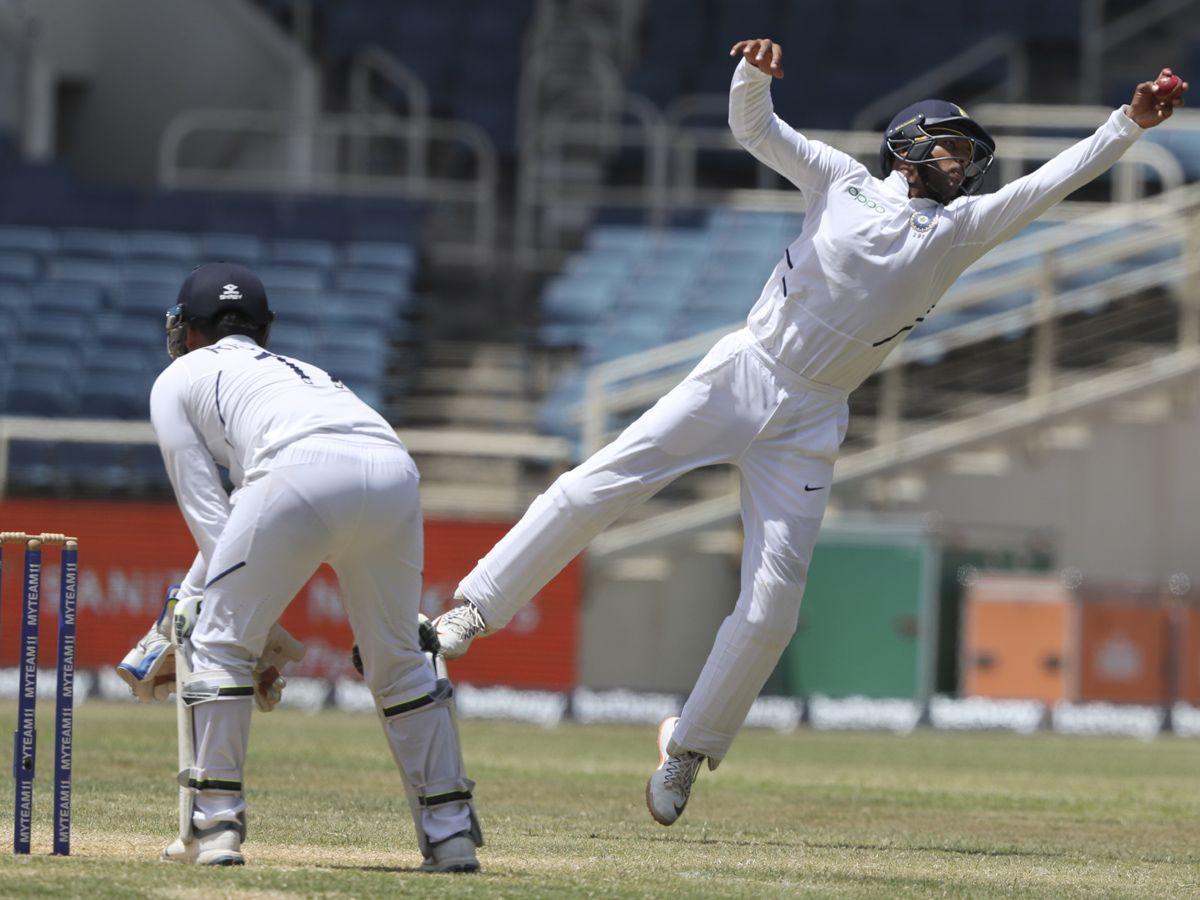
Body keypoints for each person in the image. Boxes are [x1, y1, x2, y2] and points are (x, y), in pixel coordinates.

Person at [430, 38, 1189, 826]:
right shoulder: (842, 181)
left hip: (814, 416)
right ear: (909, 147)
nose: (965, 165)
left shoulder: (961, 229)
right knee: (594, 485)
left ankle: (687, 748)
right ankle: (473, 612)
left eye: (971, 155)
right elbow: (756, 132)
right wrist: (751, 75)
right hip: (743, 371)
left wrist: (1127, 124)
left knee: (772, 611)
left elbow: (1051, 183)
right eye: (953, 149)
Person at [134, 261, 483, 870]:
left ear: (187, 330)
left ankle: (214, 830)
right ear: (262, 331)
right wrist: (241, 608)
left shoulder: (180, 378)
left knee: (216, 643)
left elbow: (208, 511)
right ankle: (451, 836)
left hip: (297, 470)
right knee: (399, 659)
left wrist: (245, 626)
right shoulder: (301, 377)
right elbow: (240, 524)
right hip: (392, 468)